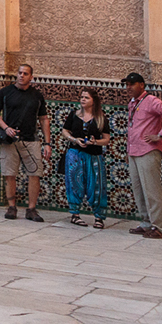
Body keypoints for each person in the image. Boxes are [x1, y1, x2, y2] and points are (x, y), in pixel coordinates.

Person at [0, 63, 52, 221]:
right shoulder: (5, 92)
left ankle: (31, 209)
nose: (21, 76)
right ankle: (12, 207)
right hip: (10, 140)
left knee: (35, 173)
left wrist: (47, 143)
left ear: (31, 77)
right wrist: (5, 127)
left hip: (31, 139)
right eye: (19, 72)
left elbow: (43, 119)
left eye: (25, 73)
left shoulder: (36, 96)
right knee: (9, 173)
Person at [122, 72, 162, 239]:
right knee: (139, 190)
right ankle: (146, 222)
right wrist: (129, 150)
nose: (129, 87)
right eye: (127, 84)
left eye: (132, 84)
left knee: (151, 190)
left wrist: (160, 135)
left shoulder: (151, 101)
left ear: (141, 85)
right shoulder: (133, 103)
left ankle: (159, 227)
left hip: (148, 151)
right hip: (134, 151)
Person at [61, 88, 112, 229]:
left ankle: (98, 217)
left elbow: (106, 139)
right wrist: (74, 139)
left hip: (94, 156)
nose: (83, 99)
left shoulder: (101, 118)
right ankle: (75, 215)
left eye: (86, 98)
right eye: (82, 97)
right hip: (75, 154)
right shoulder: (74, 115)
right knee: (75, 184)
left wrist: (95, 142)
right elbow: (65, 131)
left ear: (93, 101)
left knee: (96, 185)